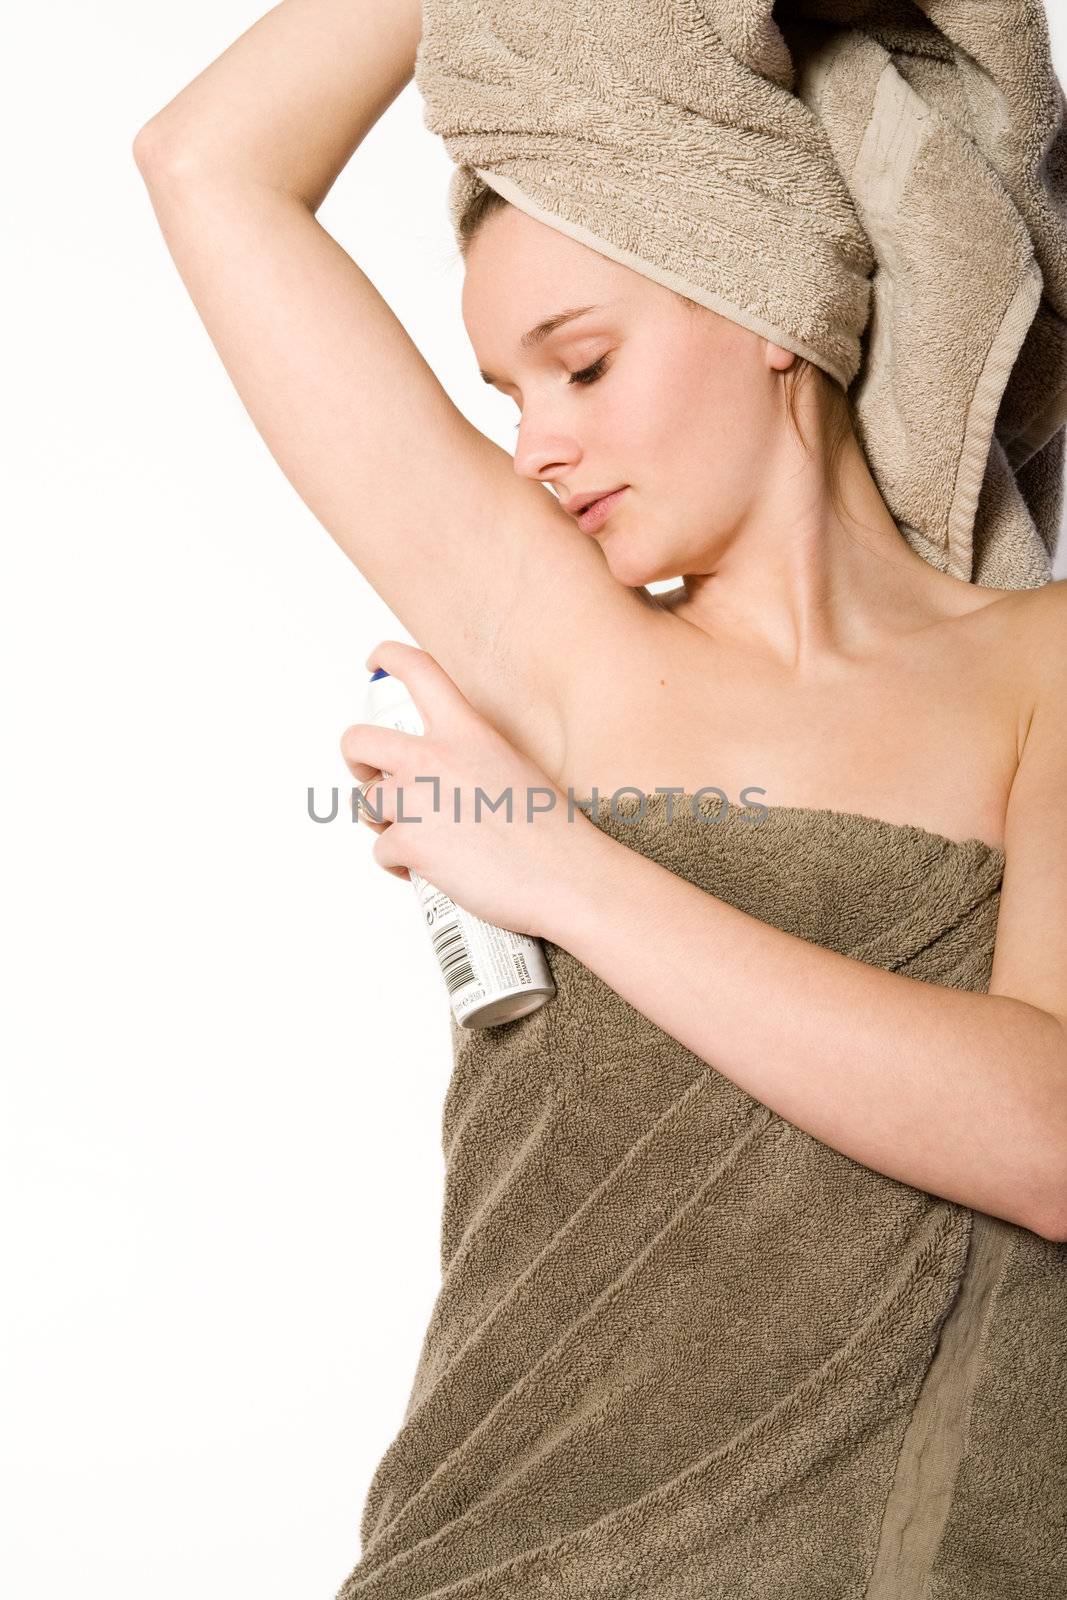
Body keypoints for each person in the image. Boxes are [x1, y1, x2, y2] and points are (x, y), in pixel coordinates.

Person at [133, 0, 1067, 1592]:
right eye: (508, 394)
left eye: (581, 363)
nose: (540, 449)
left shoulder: (1039, 669)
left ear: (763, 301)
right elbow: (206, 163)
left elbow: (1046, 1129)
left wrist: (557, 867)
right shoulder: (557, 641)